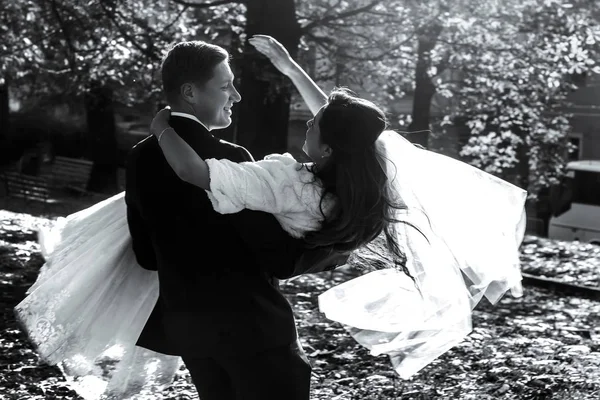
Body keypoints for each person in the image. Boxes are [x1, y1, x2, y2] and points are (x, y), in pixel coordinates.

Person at [149, 35, 528, 379]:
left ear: (328, 147)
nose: (309, 121)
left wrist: (162, 127)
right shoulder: (357, 180)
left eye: (313, 125)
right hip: (262, 329)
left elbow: (190, 170)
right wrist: (290, 68)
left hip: (235, 326)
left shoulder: (287, 185)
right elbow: (341, 124)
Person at [13, 38, 348, 400]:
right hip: (254, 328)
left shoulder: (141, 157)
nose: (236, 96)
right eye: (225, 86)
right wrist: (335, 247)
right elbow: (276, 255)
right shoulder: (232, 159)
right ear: (190, 92)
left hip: (192, 331)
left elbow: (145, 255)